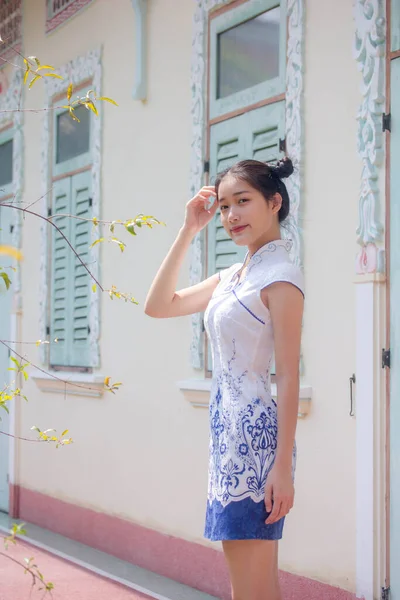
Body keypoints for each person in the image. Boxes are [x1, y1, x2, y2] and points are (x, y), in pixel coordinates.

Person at [144, 157, 304, 600]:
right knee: (258, 588)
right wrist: (189, 229)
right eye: (225, 205)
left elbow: (288, 376)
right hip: (227, 439)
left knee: (249, 590)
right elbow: (159, 305)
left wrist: (283, 469)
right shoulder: (234, 277)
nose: (231, 215)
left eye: (244, 201)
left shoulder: (281, 278)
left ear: (275, 203)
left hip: (256, 447)